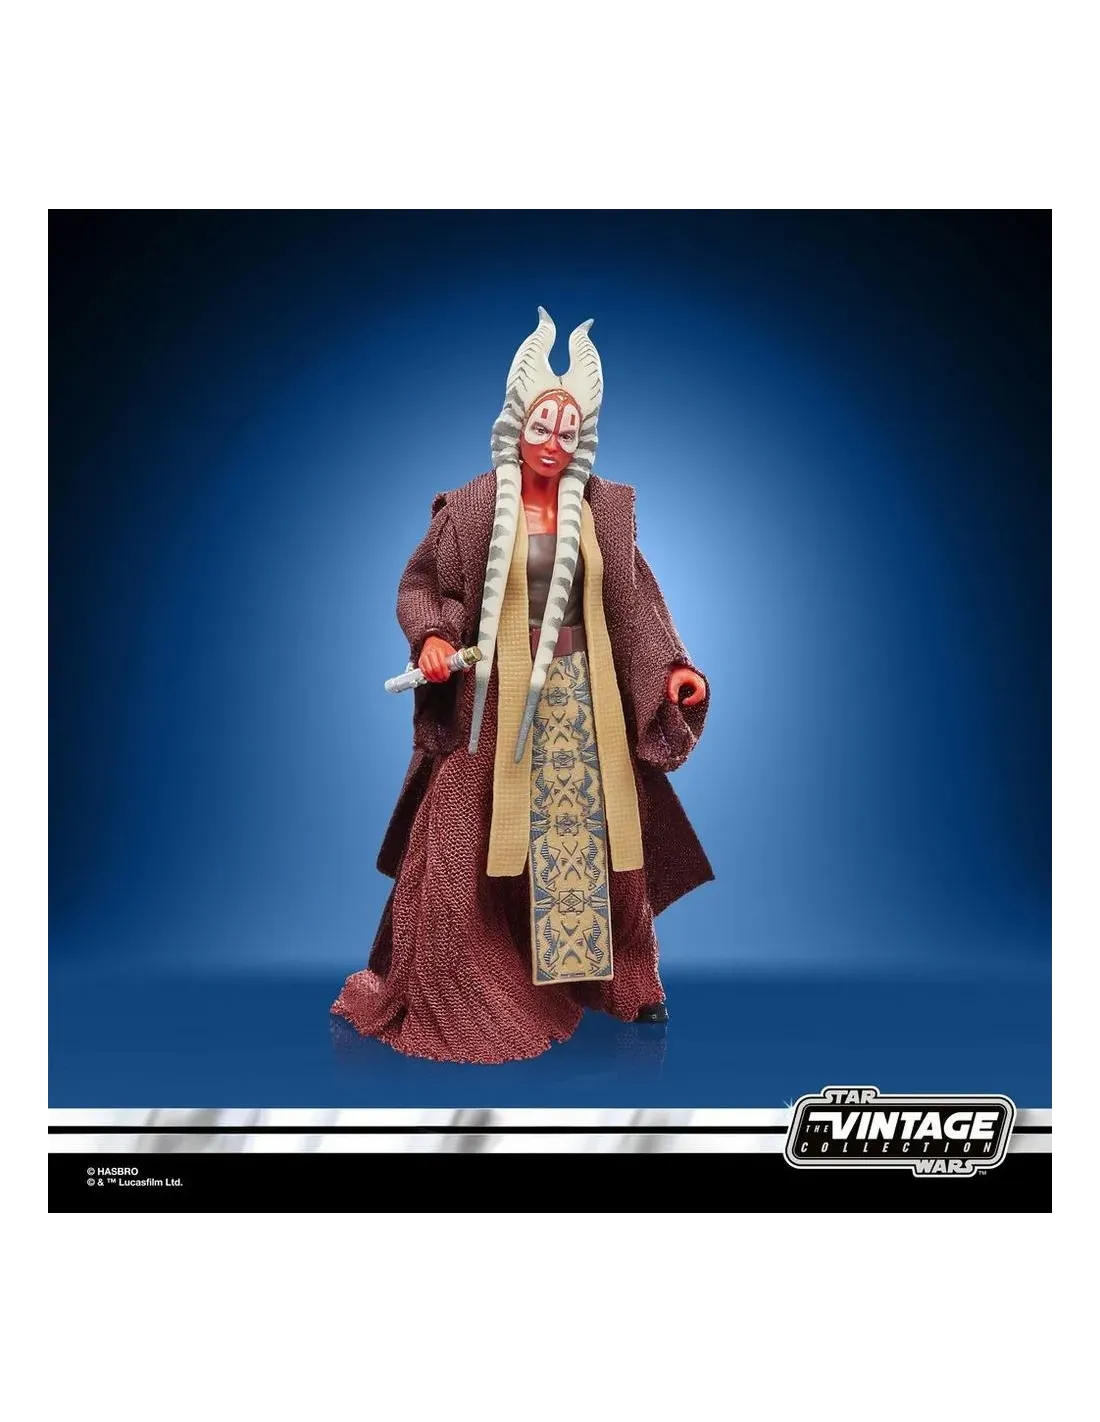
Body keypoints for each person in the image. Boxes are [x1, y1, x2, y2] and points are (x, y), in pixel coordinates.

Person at [333, 308, 713, 1063]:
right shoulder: (473, 508)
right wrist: (433, 636)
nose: (553, 442)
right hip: (495, 699)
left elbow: (635, 601)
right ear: (517, 423)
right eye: (542, 425)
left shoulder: (602, 511)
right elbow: (422, 586)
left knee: (609, 842)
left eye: (568, 431)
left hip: (586, 697)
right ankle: (468, 983)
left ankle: (622, 980)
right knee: (461, 838)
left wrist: (673, 668)